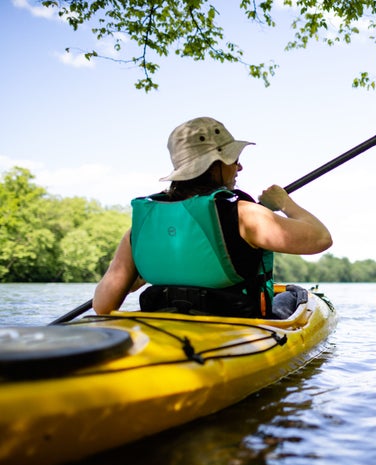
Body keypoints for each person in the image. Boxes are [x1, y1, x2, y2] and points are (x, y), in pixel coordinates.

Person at [93, 116, 332, 318]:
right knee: (294, 295)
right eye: (234, 160)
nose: (239, 168)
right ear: (214, 166)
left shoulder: (142, 228)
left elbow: (103, 307)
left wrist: (143, 277)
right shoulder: (244, 214)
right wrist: (284, 203)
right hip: (237, 327)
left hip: (165, 328)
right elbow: (321, 239)